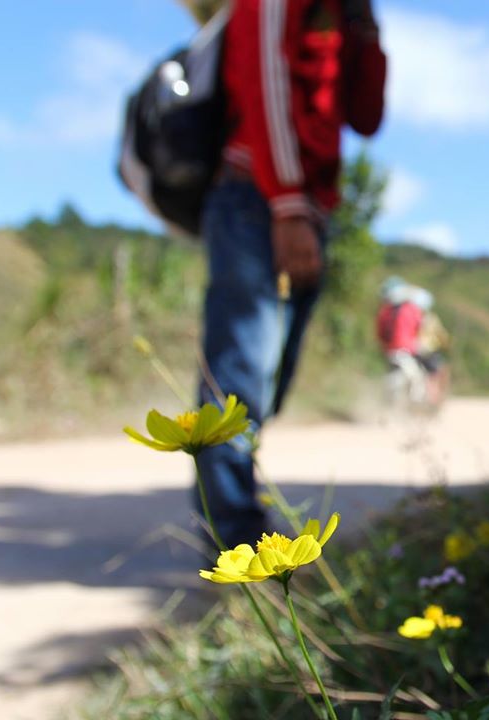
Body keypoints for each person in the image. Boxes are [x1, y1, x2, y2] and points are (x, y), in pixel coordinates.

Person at [196, 0, 386, 549]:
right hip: (258, 197)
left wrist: (365, 27)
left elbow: (366, 117)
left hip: (309, 207)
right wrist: (287, 204)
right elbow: (266, 83)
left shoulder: (343, 14)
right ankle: (235, 543)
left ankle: (228, 517)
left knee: (268, 380)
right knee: (240, 375)